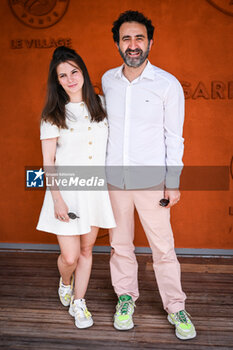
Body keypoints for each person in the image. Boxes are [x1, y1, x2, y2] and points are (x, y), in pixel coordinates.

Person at [102, 10, 196, 340]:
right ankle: (126, 298)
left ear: (150, 42)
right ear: (117, 44)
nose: (133, 44)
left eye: (139, 37)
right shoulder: (107, 81)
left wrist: (174, 181)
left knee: (163, 248)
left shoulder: (167, 85)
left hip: (152, 180)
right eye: (126, 38)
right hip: (115, 180)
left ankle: (176, 306)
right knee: (120, 245)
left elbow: (175, 136)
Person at [37, 46, 116, 329]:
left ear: (82, 72)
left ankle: (79, 301)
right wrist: (57, 199)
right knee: (69, 257)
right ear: (56, 81)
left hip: (95, 191)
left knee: (86, 250)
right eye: (63, 75)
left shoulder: (102, 106)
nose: (70, 79)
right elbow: (48, 162)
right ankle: (66, 280)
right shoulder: (52, 115)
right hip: (67, 193)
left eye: (74, 72)